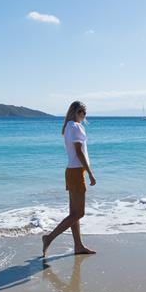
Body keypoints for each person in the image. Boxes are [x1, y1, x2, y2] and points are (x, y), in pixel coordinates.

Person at [42, 101, 97, 257]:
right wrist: (90, 172)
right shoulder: (76, 126)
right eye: (83, 112)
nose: (84, 116)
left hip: (71, 171)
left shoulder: (68, 127)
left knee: (74, 213)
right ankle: (49, 238)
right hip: (77, 172)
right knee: (79, 213)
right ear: (77, 112)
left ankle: (78, 245)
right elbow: (79, 152)